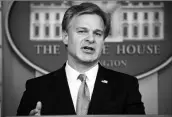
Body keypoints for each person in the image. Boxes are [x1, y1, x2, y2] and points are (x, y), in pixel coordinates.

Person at [17, 2, 145, 115]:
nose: (91, 39)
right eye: (82, 31)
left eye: (97, 33)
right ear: (65, 37)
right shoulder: (36, 88)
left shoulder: (126, 86)